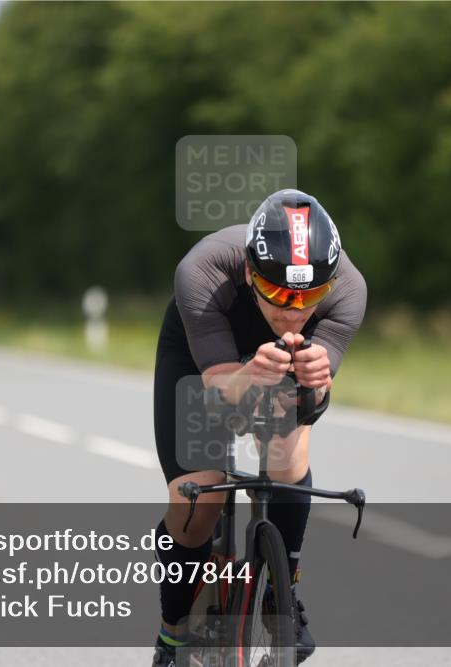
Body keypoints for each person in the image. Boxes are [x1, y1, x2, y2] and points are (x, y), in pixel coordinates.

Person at [151, 189, 366, 666]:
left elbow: (312, 401)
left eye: (309, 297)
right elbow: (217, 392)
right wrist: (249, 374)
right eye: (279, 294)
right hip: (200, 358)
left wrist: (315, 383)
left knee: (287, 451)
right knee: (198, 501)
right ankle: (172, 634)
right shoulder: (203, 270)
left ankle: (281, 589)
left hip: (278, 366)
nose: (293, 312)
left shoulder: (349, 290)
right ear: (250, 273)